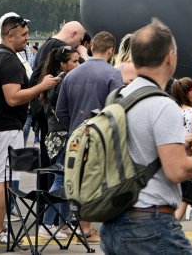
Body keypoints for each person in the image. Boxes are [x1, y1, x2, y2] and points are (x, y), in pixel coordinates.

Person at [99, 18, 192, 254]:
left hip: (114, 222)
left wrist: (175, 143)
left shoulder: (118, 96)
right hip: (149, 223)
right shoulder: (162, 104)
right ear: (170, 57)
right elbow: (177, 171)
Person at [0, 15, 60, 244]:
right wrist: (41, 86)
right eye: (23, 35)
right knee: (2, 181)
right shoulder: (10, 61)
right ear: (9, 36)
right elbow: (12, 98)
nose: (27, 38)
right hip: (5, 129)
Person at [56, 30, 123, 241]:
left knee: (83, 182)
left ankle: (84, 228)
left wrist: (75, 127)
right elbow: (117, 109)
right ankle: (89, 230)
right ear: (111, 50)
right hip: (102, 137)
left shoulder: (71, 75)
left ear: (92, 47)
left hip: (76, 137)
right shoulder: (113, 74)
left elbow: (61, 112)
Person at [30, 21, 85, 167]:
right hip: (54, 121)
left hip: (43, 113)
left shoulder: (48, 45)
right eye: (79, 41)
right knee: (55, 171)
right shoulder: (58, 48)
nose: (77, 46)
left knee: (47, 165)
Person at [39, 45, 80, 238]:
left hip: (57, 135)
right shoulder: (62, 81)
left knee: (65, 179)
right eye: (74, 61)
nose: (78, 64)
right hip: (62, 135)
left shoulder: (54, 80)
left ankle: (61, 223)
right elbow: (62, 110)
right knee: (61, 178)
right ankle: (47, 223)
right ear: (63, 64)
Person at [171, 77, 192, 223]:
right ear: (191, 94)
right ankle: (174, 226)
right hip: (187, 159)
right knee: (185, 195)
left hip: (171, 158)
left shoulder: (170, 110)